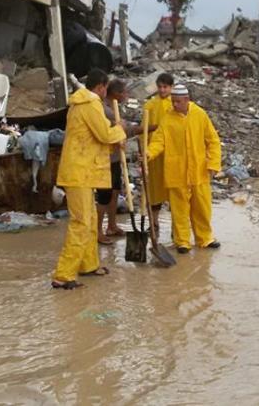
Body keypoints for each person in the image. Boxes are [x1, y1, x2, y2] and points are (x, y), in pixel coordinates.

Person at [52, 69, 126, 289]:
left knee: (91, 219)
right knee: (81, 222)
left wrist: (114, 137)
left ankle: (88, 265)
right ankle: (63, 275)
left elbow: (92, 137)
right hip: (79, 172)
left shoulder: (78, 104)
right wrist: (119, 131)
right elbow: (104, 133)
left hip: (82, 170)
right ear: (101, 87)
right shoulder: (91, 104)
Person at [146, 84, 221, 254]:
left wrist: (213, 164)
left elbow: (213, 141)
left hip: (198, 171)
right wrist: (148, 153)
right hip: (176, 172)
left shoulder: (200, 115)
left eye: (178, 102)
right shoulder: (168, 119)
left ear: (187, 100)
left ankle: (205, 238)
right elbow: (159, 141)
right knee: (179, 210)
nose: (174, 105)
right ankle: (182, 241)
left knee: (202, 207)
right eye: (173, 102)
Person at [95, 78, 143, 244]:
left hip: (115, 158)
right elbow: (123, 131)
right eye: (124, 92)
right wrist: (145, 128)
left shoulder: (112, 108)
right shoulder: (106, 111)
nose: (127, 95)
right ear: (116, 94)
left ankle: (112, 225)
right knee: (104, 195)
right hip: (105, 159)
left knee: (115, 191)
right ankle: (98, 231)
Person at [143, 73, 174, 235]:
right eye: (160, 87)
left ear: (171, 87)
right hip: (154, 155)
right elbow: (144, 130)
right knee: (154, 191)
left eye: (165, 87)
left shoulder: (176, 105)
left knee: (175, 192)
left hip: (172, 155)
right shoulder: (150, 105)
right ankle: (153, 224)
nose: (162, 90)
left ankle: (177, 226)